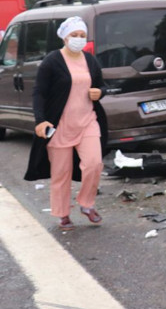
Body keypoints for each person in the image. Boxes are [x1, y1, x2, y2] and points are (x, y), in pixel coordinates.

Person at [24, 16, 108, 231]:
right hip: (59, 125)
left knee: (94, 163)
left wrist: (100, 93)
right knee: (61, 173)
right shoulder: (52, 61)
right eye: (74, 35)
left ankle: (86, 204)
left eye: (82, 35)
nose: (78, 39)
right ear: (64, 37)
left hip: (87, 121)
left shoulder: (91, 61)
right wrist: (40, 120)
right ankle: (62, 214)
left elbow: (101, 86)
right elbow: (39, 93)